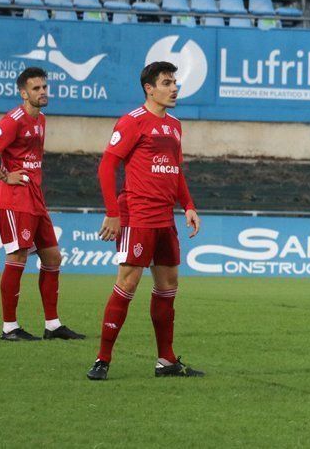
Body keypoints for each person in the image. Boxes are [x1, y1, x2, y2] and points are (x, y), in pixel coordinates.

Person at [87, 61, 203, 381]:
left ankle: (165, 361)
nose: (174, 87)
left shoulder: (175, 125)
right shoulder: (132, 122)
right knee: (128, 284)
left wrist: (188, 205)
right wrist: (114, 212)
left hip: (165, 219)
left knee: (167, 287)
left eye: (175, 82)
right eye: (167, 83)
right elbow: (106, 167)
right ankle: (102, 359)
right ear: (149, 89)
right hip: (137, 215)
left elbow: (176, 171)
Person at [0, 67, 84, 342]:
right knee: (17, 258)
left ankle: (52, 325)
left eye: (44, 87)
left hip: (35, 198)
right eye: (36, 89)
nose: (43, 92)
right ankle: (10, 328)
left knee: (53, 258)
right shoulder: (12, 120)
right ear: (23, 93)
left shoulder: (41, 120)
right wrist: (5, 175)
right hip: (14, 200)